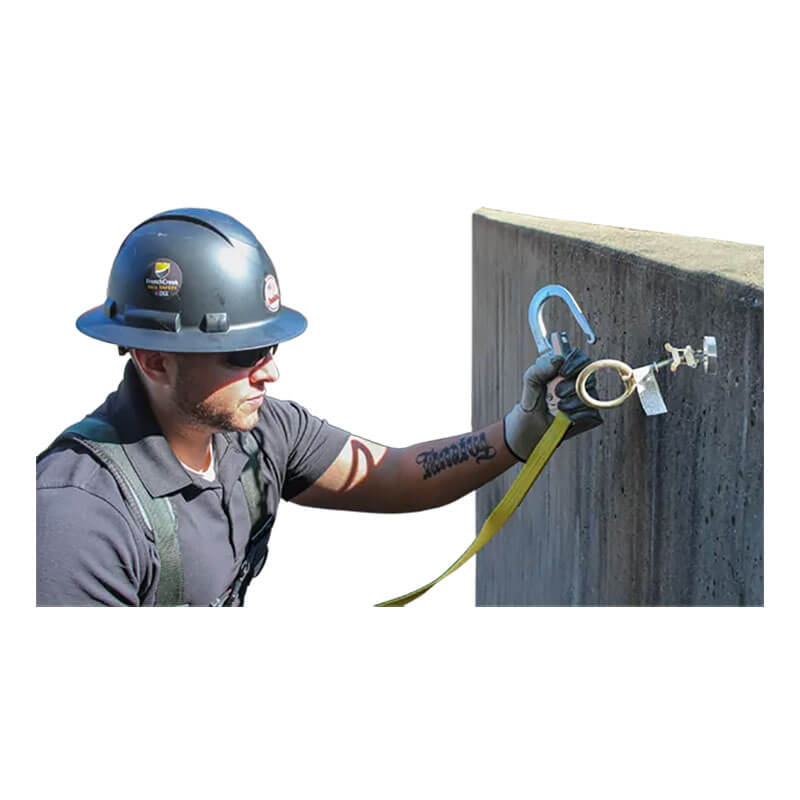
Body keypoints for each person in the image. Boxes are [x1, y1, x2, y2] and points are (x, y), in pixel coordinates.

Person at [36, 208, 601, 606]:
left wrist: (520, 432)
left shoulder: (258, 433)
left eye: (271, 346)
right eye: (244, 353)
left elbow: (398, 474)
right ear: (154, 360)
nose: (271, 370)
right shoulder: (77, 519)